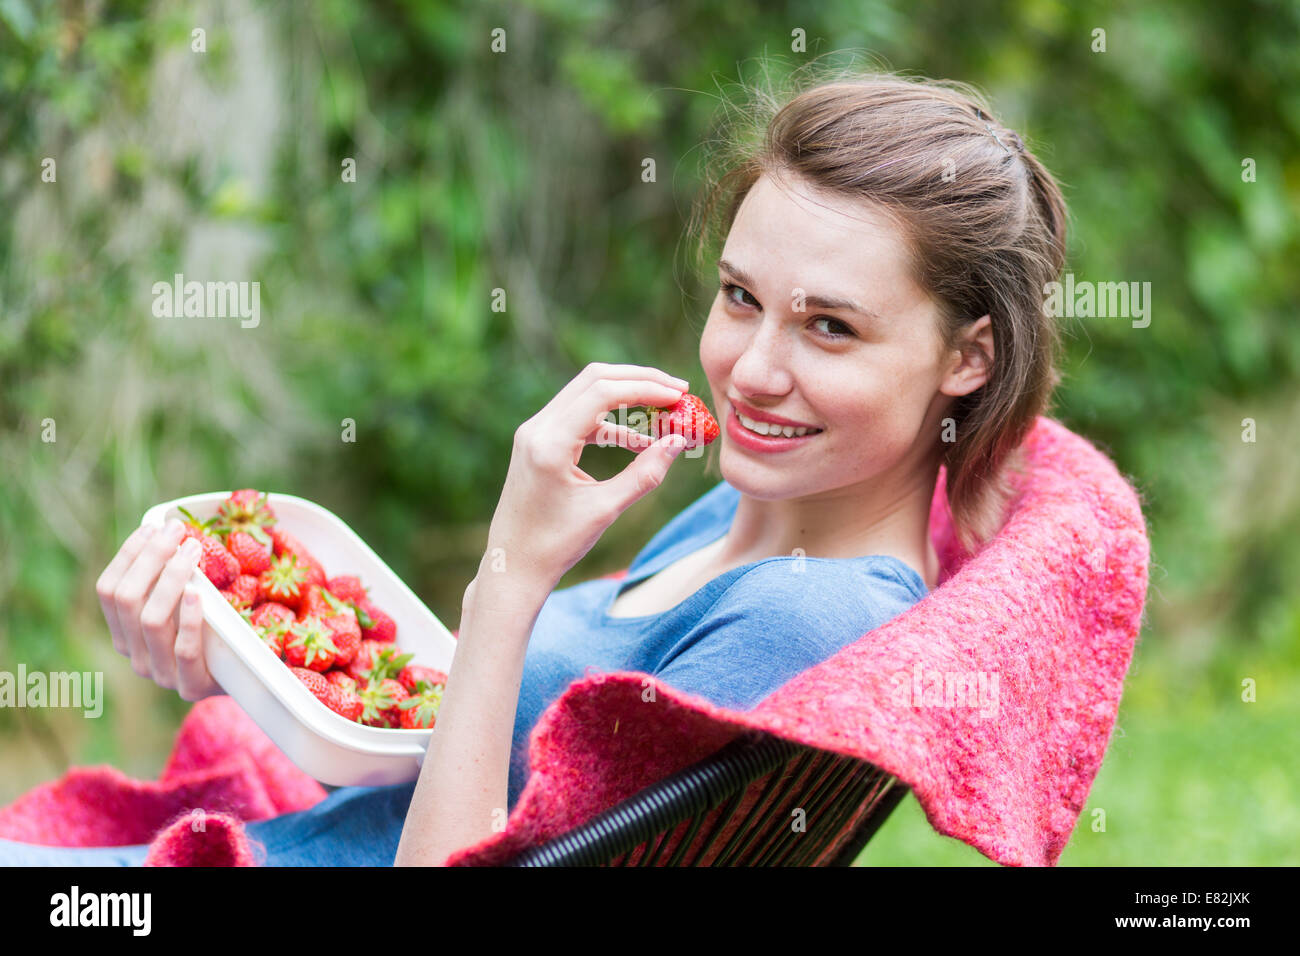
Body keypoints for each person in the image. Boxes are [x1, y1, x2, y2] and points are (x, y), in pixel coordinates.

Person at [0, 68, 1067, 866]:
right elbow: (490, 759)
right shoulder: (748, 517)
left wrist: (510, 574)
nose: (752, 368)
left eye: (829, 327)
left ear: (967, 356)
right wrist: (254, 660)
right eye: (740, 296)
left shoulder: (808, 619)